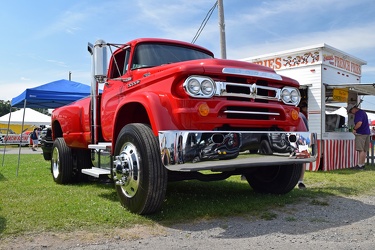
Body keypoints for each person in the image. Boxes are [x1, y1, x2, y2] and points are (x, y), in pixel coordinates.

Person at [347, 103, 370, 170]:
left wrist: (354, 129)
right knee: (365, 150)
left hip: (361, 134)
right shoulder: (363, 112)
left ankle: (359, 165)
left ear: (353, 109)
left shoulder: (358, 114)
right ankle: (362, 164)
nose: (352, 113)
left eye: (351, 111)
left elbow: (359, 123)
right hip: (367, 133)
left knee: (361, 150)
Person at [297, 101, 308, 189]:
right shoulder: (303, 115)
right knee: (303, 161)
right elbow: (307, 129)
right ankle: (300, 180)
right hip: (303, 137)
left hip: (294, 137)